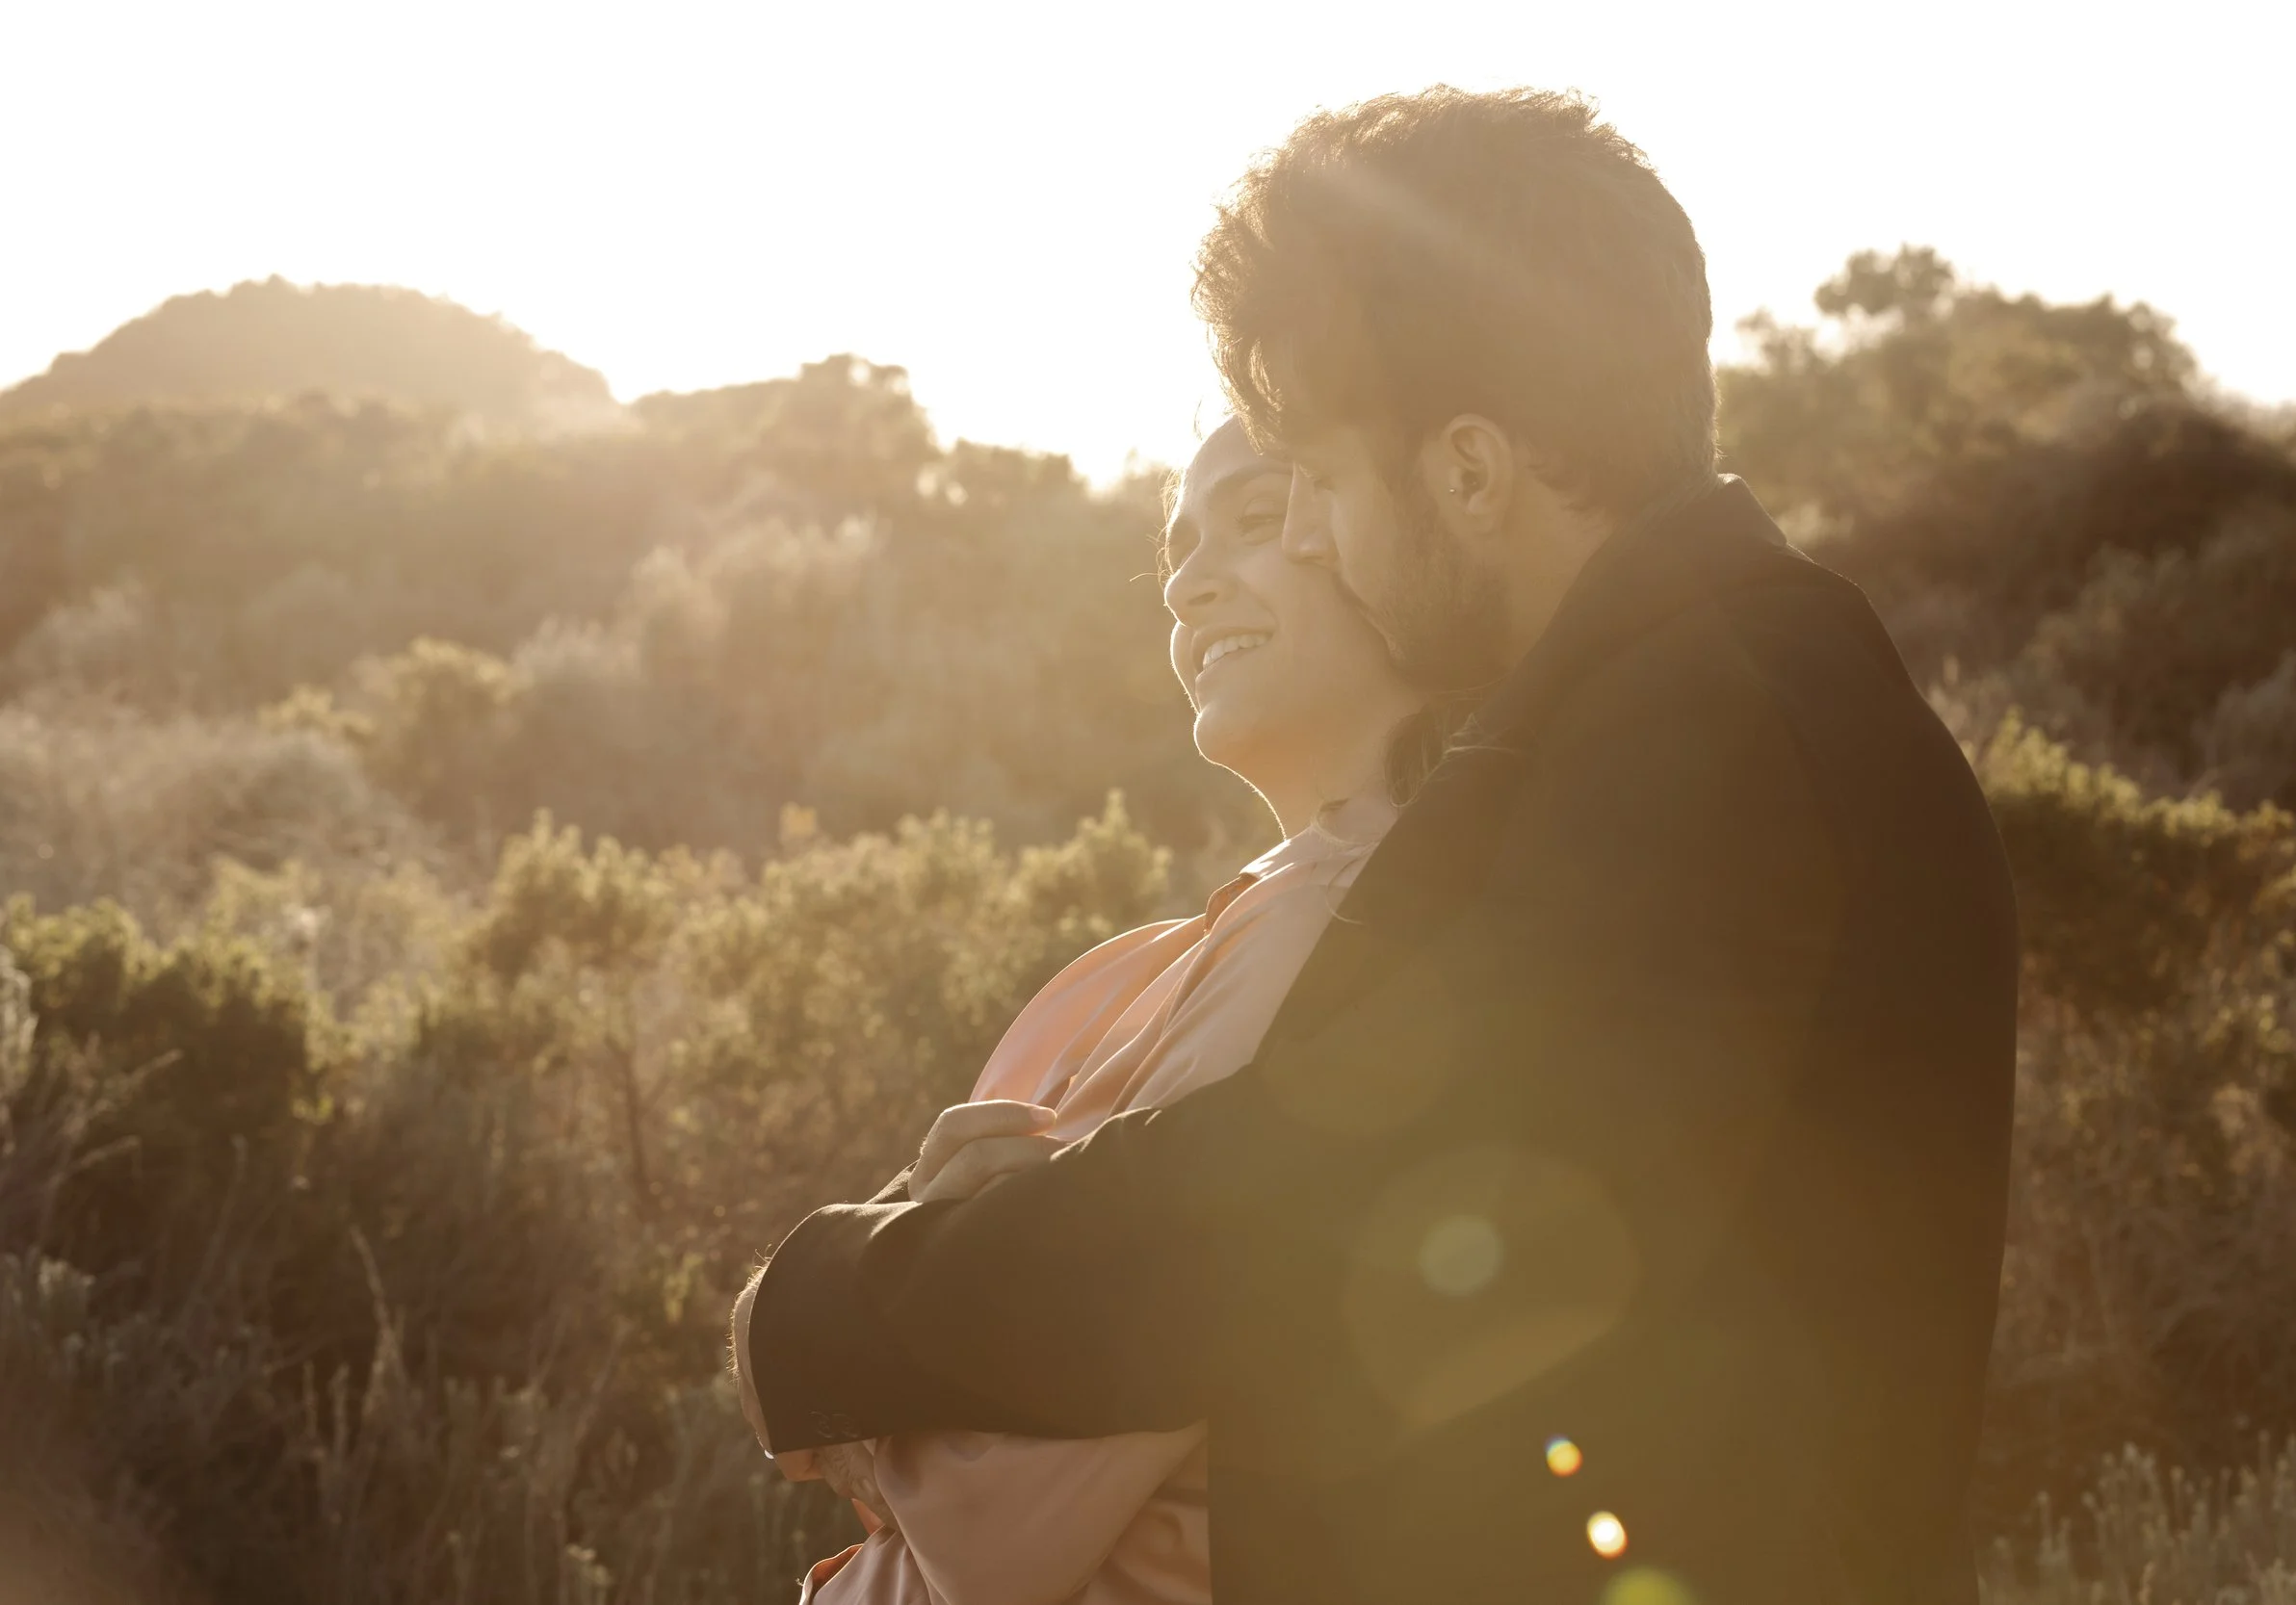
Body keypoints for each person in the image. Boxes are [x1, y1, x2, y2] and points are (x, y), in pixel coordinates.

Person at [739, 86, 2020, 1605]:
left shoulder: (1723, 727)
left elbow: (1320, 1208)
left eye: (1327, 483)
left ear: (1471, 470)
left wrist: (838, 1302)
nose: (1318, 538)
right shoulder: (1680, 698)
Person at [731, 419, 1426, 1603]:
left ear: (1388, 539)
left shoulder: (1327, 929)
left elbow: (999, 1523)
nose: (1189, 583)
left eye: (1256, 521)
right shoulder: (1219, 935)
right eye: (1177, 549)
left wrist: (862, 1362)